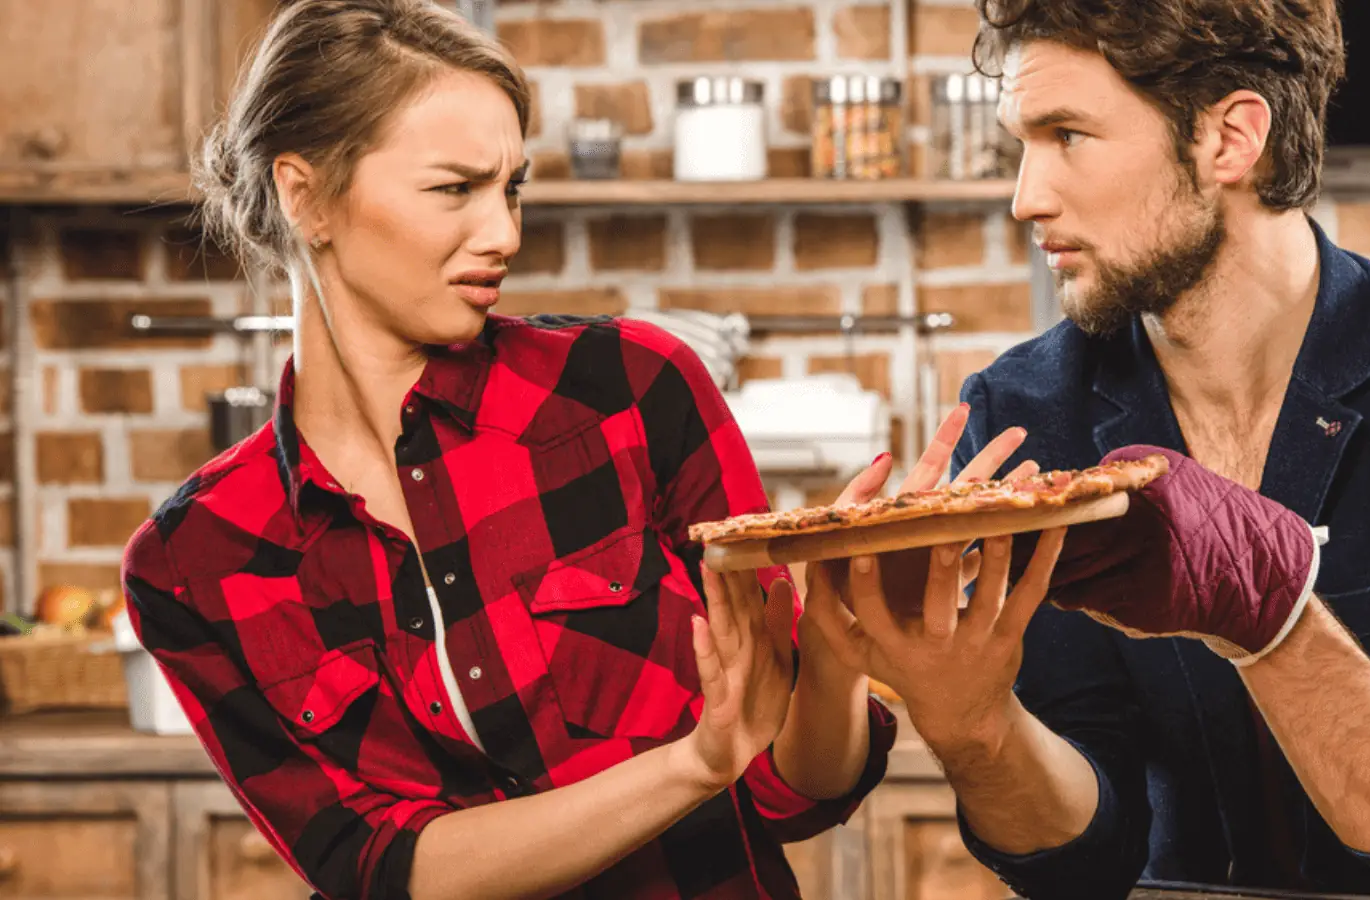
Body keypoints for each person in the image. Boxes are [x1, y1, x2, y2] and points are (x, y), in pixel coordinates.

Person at [117, 2, 936, 898]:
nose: (503, 233)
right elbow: (383, 870)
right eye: (454, 189)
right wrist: (691, 765)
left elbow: (792, 790)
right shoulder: (195, 560)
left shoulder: (628, 391)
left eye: (511, 188)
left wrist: (836, 655)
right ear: (305, 196)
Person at [802, 1, 1370, 899]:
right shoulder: (1027, 412)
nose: (1026, 197)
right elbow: (1087, 859)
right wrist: (976, 726)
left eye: (1068, 134)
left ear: (1230, 137)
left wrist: (1274, 619)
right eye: (1022, 145)